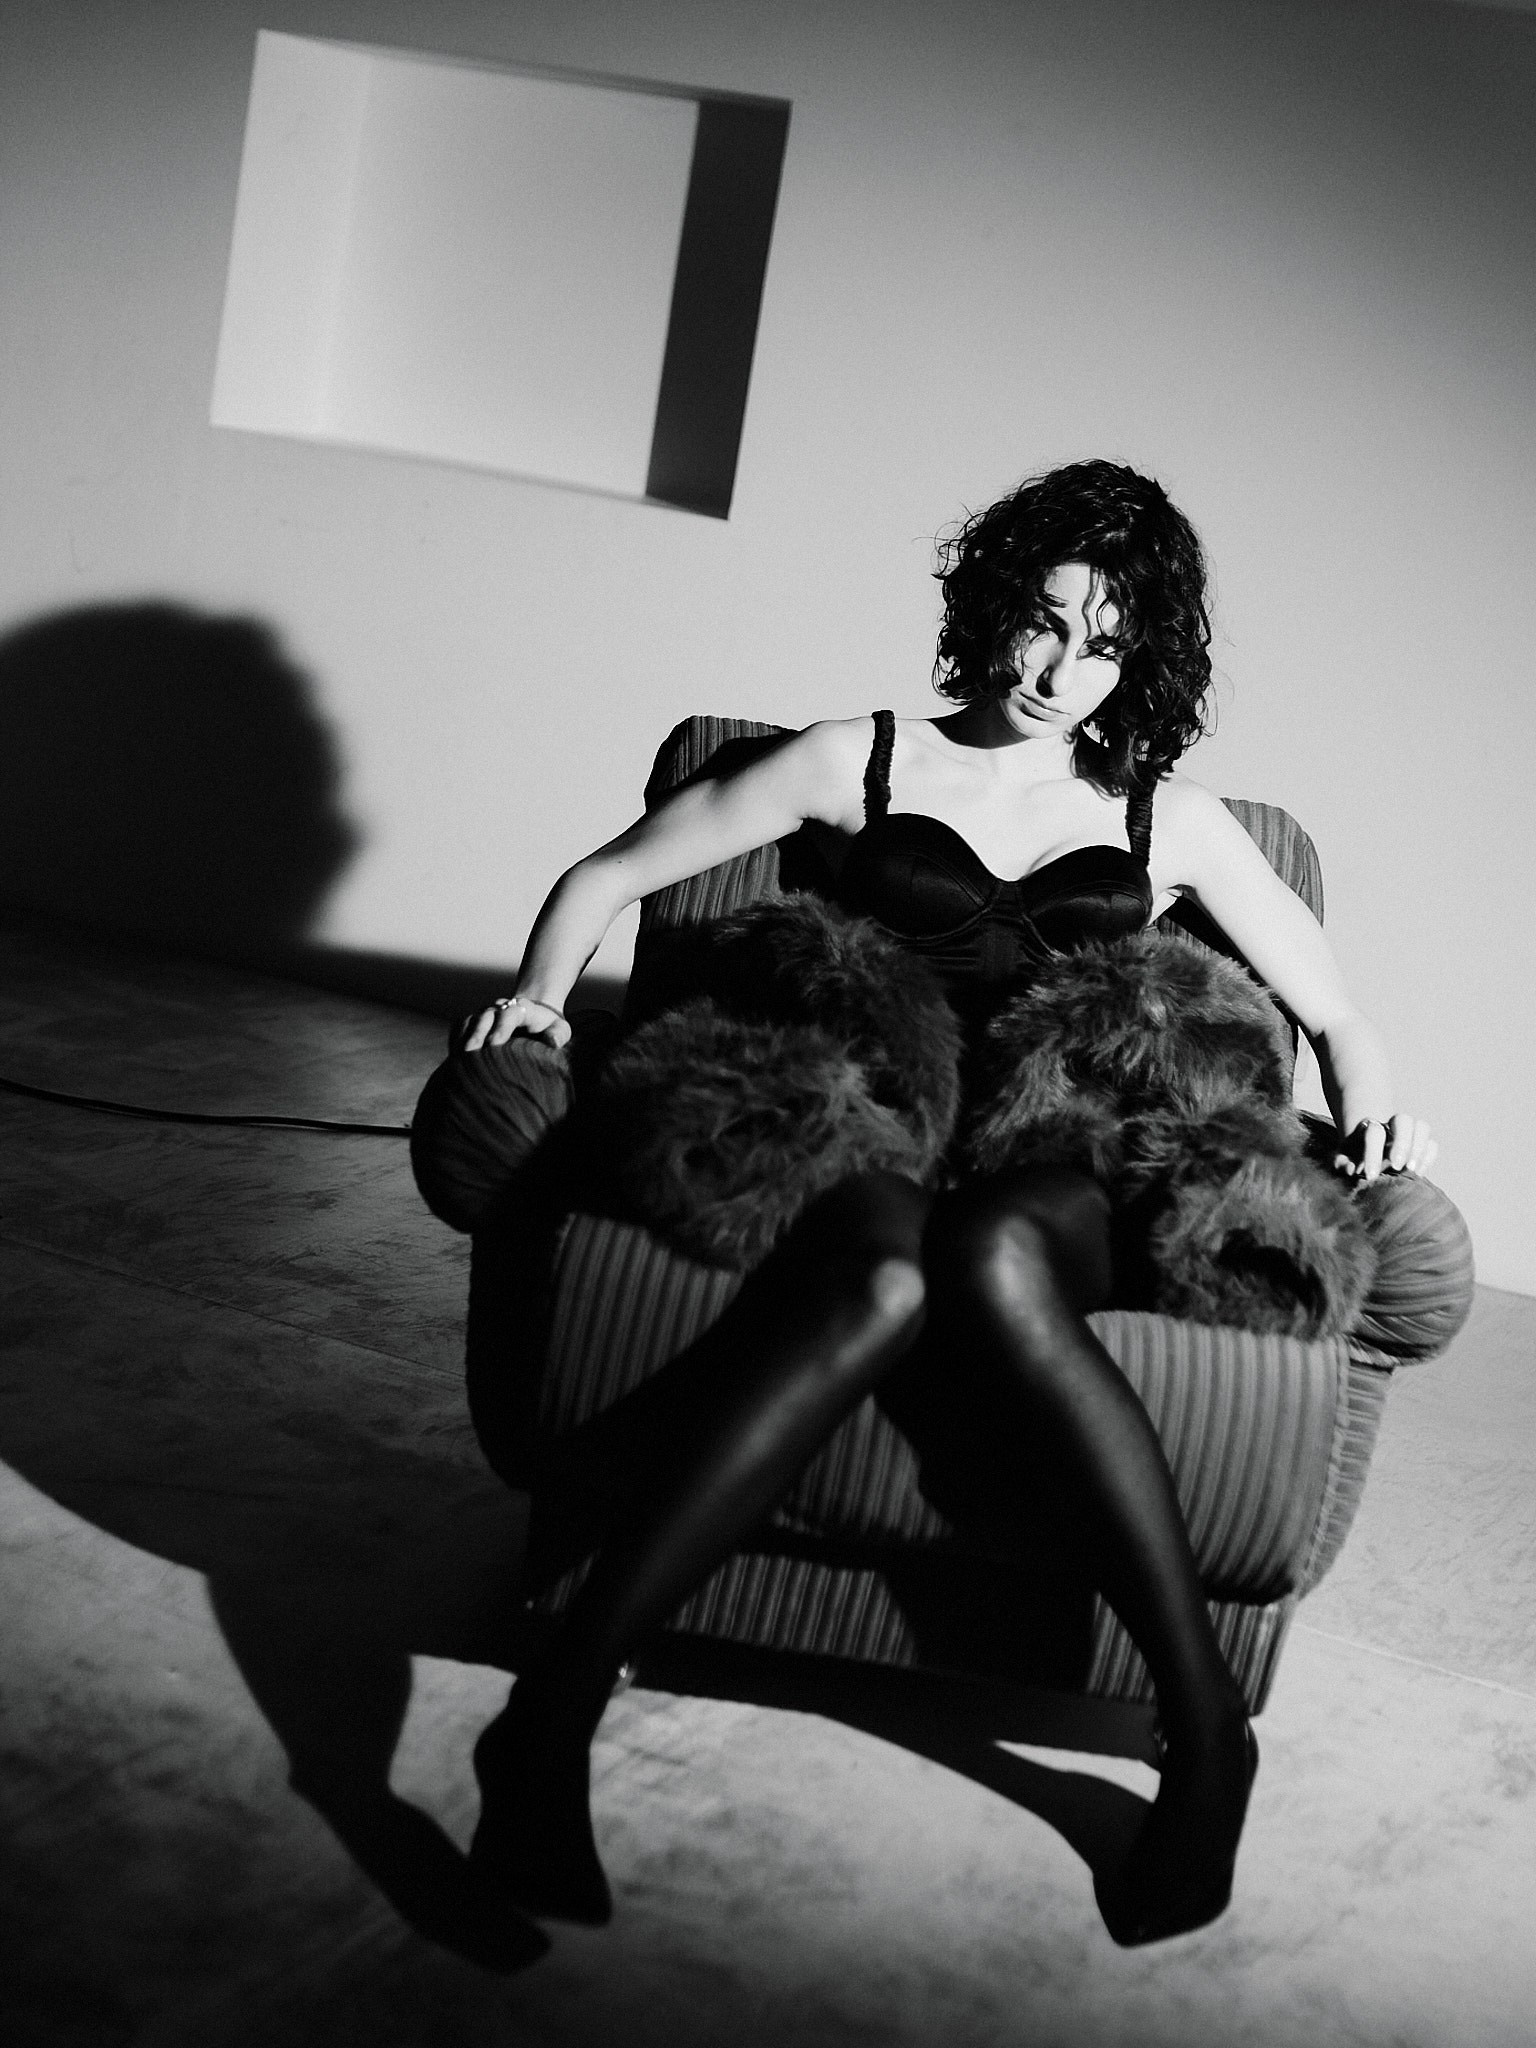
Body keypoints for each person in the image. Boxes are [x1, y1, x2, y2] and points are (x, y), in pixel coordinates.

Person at [451, 460, 1436, 1945]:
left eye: (1099, 644)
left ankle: (1206, 1736)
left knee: (987, 1251)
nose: (1056, 668)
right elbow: (606, 875)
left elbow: (1336, 1013)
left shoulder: (1166, 817)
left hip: (1063, 1157)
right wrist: (536, 1000)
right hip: (871, 1130)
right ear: (993, 607)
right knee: (884, 1272)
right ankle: (553, 1710)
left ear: (1138, 663)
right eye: (1042, 620)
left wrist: (1378, 1113)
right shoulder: (857, 757)